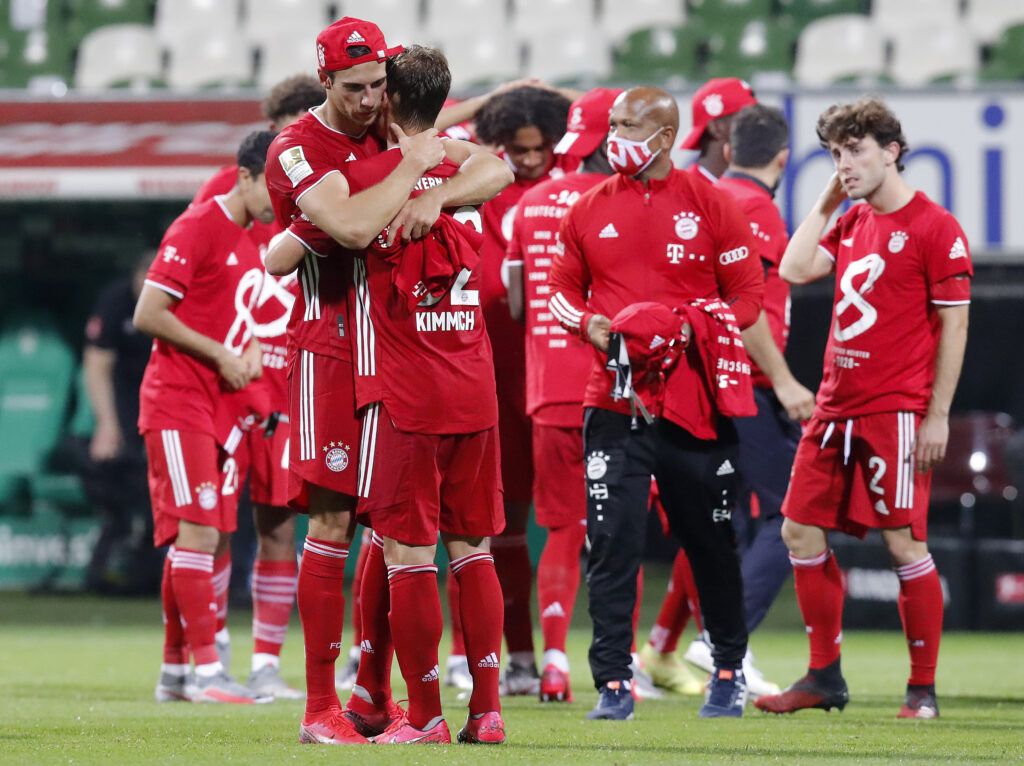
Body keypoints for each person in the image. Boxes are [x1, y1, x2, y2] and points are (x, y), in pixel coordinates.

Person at [263, 16, 510, 745]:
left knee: (390, 531)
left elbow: (490, 165)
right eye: (356, 87)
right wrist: (415, 174)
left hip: (398, 355)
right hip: (332, 354)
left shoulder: (385, 132)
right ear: (326, 81)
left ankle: (374, 694)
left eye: (380, 85)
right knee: (335, 522)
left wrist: (437, 192)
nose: (371, 99)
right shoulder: (297, 149)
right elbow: (346, 226)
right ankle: (318, 707)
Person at [549, 87, 764, 720]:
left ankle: (727, 668)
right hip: (614, 400)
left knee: (709, 543)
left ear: (665, 136)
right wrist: (590, 326)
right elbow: (560, 292)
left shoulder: (714, 204)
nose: (613, 134)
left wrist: (689, 326)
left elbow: (748, 296)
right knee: (612, 543)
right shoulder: (585, 209)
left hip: (696, 402)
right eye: (611, 123)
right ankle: (613, 682)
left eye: (626, 124)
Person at [755, 98, 971, 720]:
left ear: (892, 150)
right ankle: (824, 676)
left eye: (855, 150)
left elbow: (955, 329)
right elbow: (794, 268)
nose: (844, 164)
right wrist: (827, 197)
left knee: (903, 544)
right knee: (798, 529)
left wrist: (938, 414)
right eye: (833, 153)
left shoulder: (935, 226)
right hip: (834, 410)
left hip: (896, 411)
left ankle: (922, 690)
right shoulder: (852, 222)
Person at [649, 105, 812, 698]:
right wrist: (787, 382)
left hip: (698, 383)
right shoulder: (755, 208)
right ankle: (726, 640)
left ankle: (674, 648)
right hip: (747, 385)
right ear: (784, 157)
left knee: (721, 522)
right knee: (794, 512)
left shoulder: (707, 198)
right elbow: (751, 308)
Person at [189, 72, 324, 701]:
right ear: (273, 124)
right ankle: (208, 646)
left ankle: (266, 662)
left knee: (277, 524)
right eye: (288, 120)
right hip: (233, 376)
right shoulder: (229, 188)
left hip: (290, 377)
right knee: (214, 523)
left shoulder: (324, 181)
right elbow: (201, 267)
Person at [134, 130, 278, 705]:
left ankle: (174, 672)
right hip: (176, 400)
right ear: (244, 176)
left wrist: (247, 354)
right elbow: (149, 312)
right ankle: (206, 670)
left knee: (197, 535)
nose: (283, 197)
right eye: (275, 184)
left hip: (213, 405)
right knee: (196, 531)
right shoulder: (198, 226)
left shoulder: (248, 240)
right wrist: (221, 355)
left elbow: (245, 319)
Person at [446, 84, 572, 695]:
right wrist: (492, 98)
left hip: (548, 372)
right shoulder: (477, 168)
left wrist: (541, 90)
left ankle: (524, 657)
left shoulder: (572, 173)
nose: (529, 158)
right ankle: (463, 651)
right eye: (517, 147)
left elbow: (617, 106)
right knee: (472, 518)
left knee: (543, 525)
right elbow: (415, 132)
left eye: (540, 146)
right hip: (483, 367)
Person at [504, 87, 622, 704]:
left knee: (560, 529)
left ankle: (552, 660)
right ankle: (621, 664)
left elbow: (521, 306)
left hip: (548, 389)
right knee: (615, 531)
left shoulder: (531, 204)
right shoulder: (623, 203)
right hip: (615, 387)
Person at [643, 76, 758, 684]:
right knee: (716, 522)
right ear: (721, 129)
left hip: (716, 379)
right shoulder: (712, 197)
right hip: (699, 386)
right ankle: (714, 650)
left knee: (708, 524)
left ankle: (668, 645)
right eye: (748, 117)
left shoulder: (713, 192)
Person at [81, 251, 158, 594]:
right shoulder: (116, 299)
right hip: (126, 404)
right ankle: (116, 563)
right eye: (143, 278)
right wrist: (106, 424)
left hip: (167, 397)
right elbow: (97, 364)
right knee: (121, 479)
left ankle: (153, 570)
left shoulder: (178, 294)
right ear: (135, 276)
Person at [678, 77, 757, 183]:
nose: (757, 126)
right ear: (716, 128)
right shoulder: (687, 191)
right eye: (747, 118)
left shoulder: (748, 182)